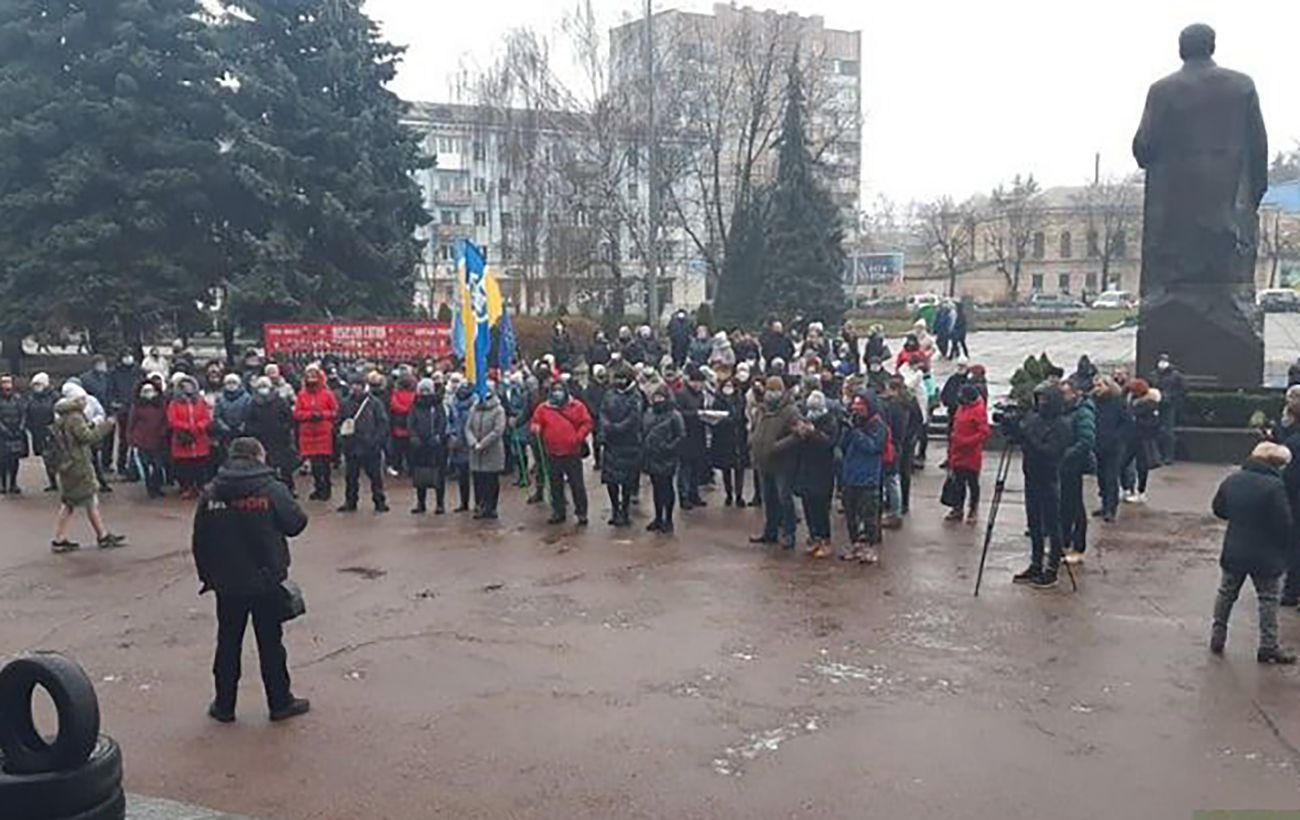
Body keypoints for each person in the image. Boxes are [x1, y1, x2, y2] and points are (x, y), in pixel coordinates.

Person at [191, 437, 312, 722]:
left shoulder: (212, 492)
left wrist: (208, 577)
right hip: (266, 580)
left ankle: (224, 705)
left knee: (227, 643)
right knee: (271, 644)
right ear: (259, 455)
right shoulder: (271, 489)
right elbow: (296, 523)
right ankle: (280, 703)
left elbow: (200, 540)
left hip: (227, 583)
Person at [1210, 442, 1296, 664]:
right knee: (1268, 599)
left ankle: (1217, 637)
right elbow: (1284, 523)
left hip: (1235, 547)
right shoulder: (1274, 486)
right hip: (1265, 553)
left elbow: (1219, 509)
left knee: (1226, 593)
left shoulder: (1233, 479)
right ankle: (1268, 646)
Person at [49, 383, 126, 552]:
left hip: (67, 464)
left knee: (73, 502)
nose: (85, 401)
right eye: (82, 399)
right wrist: (106, 425)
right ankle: (100, 536)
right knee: (85, 500)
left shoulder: (62, 416)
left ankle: (63, 538)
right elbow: (87, 437)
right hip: (78, 464)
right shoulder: (75, 417)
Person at [1012, 383, 1072, 588]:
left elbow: (1050, 452)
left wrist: (1028, 437)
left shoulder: (1062, 424)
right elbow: (1024, 440)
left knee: (1052, 525)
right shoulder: (1034, 419)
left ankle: (1052, 568)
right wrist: (1014, 430)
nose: (1041, 404)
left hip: (1049, 477)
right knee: (1034, 523)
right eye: (1039, 400)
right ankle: (1035, 563)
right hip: (1031, 475)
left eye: (1045, 400)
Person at [530, 381, 593, 525]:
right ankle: (558, 511)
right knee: (555, 484)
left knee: (577, 484)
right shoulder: (543, 408)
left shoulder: (577, 406)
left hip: (572, 452)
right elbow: (535, 421)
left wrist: (578, 437)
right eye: (555, 390)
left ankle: (581, 512)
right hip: (552, 452)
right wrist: (536, 427)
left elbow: (587, 423)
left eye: (560, 390)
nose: (557, 393)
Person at [749, 377, 801, 550]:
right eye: (769, 390)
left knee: (784, 498)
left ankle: (789, 533)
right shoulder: (761, 410)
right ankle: (770, 531)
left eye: (776, 390)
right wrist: (752, 440)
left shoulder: (791, 411)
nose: (772, 393)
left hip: (783, 463)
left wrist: (777, 446)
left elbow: (798, 434)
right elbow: (755, 428)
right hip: (764, 462)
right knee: (768, 499)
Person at [841, 392, 887, 563]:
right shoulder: (854, 425)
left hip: (868, 477)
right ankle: (855, 545)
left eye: (860, 406)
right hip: (850, 476)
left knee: (869, 516)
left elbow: (873, 447)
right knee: (850, 515)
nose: (857, 410)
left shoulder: (878, 426)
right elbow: (843, 446)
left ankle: (869, 547)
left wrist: (856, 432)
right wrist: (846, 430)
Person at [336, 375, 390, 513]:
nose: (355, 387)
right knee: (351, 477)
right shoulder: (345, 403)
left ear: (363, 386)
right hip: (351, 445)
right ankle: (350, 502)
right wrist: (342, 439)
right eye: (353, 384)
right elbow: (338, 422)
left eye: (358, 384)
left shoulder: (374, 403)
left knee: (375, 477)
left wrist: (376, 440)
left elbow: (382, 423)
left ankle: (379, 502)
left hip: (370, 446)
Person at [794, 390, 838, 557]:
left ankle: (825, 539)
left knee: (821, 507)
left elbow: (829, 443)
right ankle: (814, 536)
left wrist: (813, 433)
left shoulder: (830, 421)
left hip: (823, 470)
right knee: (808, 505)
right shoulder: (806, 419)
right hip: (806, 468)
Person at [598, 368, 641, 527]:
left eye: (622, 378)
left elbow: (634, 417)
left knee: (627, 481)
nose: (619, 381)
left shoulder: (635, 396)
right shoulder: (609, 394)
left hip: (628, 443)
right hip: (611, 443)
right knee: (611, 480)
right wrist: (606, 426)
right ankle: (615, 509)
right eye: (617, 378)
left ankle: (625, 510)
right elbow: (602, 411)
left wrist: (617, 427)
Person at [1059, 381, 1097, 564]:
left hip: (1074, 464)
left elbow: (1086, 440)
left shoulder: (1083, 412)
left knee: (1075, 505)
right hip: (1062, 465)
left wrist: (1067, 454)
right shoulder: (1064, 411)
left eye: (1065, 393)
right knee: (1063, 504)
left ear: (1075, 393)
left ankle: (1078, 546)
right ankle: (1063, 541)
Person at [945, 384, 990, 524]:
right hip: (958, 452)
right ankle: (957, 508)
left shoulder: (978, 410)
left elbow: (984, 433)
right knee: (958, 482)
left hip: (971, 453)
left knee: (972, 482)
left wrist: (966, 441)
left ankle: (973, 509)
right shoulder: (961, 408)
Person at [642, 384, 684, 534]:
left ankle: (669, 519)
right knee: (656, 488)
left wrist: (669, 447)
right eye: (655, 397)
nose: (658, 400)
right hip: (652, 456)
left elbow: (680, 436)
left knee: (667, 487)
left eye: (660, 397)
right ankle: (658, 517)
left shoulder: (674, 415)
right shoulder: (649, 413)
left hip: (667, 457)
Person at [245, 376, 297, 493]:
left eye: (265, 386)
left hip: (281, 438)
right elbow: (249, 421)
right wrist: (255, 432)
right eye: (261, 386)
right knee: (266, 465)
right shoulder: (253, 403)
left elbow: (289, 418)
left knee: (285, 466)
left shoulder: (280, 401)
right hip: (262, 439)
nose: (263, 389)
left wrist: (284, 429)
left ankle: (289, 487)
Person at [292, 365, 337, 501]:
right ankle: (318, 487)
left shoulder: (327, 394)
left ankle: (326, 488)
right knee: (314, 463)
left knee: (324, 462)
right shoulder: (302, 394)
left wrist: (322, 414)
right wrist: (310, 415)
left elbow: (334, 411)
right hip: (308, 433)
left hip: (323, 431)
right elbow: (297, 413)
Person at [1091, 377, 1132, 523]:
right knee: (1101, 477)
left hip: (1114, 447)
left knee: (1111, 477)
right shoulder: (1094, 402)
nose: (1097, 388)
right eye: (1095, 386)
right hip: (1098, 444)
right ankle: (1104, 505)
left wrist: (1117, 437)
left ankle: (1111, 509)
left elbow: (1127, 423)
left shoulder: (1118, 402)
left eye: (1100, 385)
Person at [168, 375, 215, 500]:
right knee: (185, 466)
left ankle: (199, 486)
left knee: (199, 465)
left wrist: (199, 426)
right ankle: (186, 487)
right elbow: (172, 420)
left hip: (200, 438)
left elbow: (207, 418)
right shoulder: (174, 403)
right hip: (182, 439)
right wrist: (187, 427)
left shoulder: (201, 402)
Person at [465, 388, 507, 519]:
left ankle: (491, 507)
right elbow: (468, 427)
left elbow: (498, 430)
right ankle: (479, 505)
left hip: (492, 451)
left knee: (491, 480)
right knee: (478, 480)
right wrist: (472, 442)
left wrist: (482, 443)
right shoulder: (474, 409)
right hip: (476, 452)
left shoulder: (499, 410)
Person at [409, 379, 449, 514]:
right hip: (419, 446)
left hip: (436, 445)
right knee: (420, 475)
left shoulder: (438, 405)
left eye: (427, 390)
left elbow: (442, 421)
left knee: (439, 475)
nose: (424, 393)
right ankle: (421, 503)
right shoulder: (415, 405)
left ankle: (440, 504)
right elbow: (411, 422)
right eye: (422, 390)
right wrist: (414, 436)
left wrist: (438, 435)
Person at [127, 381, 170, 498]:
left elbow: (166, 420)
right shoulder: (137, 406)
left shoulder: (161, 404)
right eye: (145, 391)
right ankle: (150, 489)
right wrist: (131, 438)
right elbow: (132, 422)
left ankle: (157, 487)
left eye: (150, 390)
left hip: (158, 440)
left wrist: (163, 432)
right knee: (146, 466)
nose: (148, 393)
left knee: (158, 466)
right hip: (142, 440)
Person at [674, 366, 708, 510]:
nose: (700, 386)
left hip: (698, 434)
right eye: (698, 382)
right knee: (685, 468)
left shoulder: (700, 395)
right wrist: (696, 414)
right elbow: (679, 414)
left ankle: (694, 494)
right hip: (686, 435)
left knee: (696, 467)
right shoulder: (681, 394)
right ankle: (684, 496)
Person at [710, 377, 747, 507]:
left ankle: (739, 495)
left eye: (731, 385)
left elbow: (744, 415)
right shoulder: (718, 400)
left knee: (739, 468)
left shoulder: (741, 399)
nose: (729, 388)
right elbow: (714, 418)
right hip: (724, 438)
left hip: (739, 437)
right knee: (726, 468)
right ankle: (729, 494)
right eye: (726, 385)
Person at [1127, 379, 1162, 503]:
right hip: (1133, 437)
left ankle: (1141, 492)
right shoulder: (1132, 402)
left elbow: (1154, 423)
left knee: (1142, 466)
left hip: (1143, 438)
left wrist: (1137, 421)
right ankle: (1128, 488)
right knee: (1124, 462)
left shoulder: (1150, 404)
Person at [25, 373, 60, 492]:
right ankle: (52, 482)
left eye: (38, 384)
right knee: (46, 458)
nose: (36, 387)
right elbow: (28, 413)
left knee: (56, 457)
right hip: (38, 432)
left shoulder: (54, 397)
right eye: (34, 385)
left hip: (53, 432)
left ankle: (62, 480)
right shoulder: (31, 398)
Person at [108, 352, 142, 475]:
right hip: (123, 408)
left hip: (136, 406)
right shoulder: (115, 372)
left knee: (136, 438)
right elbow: (111, 389)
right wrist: (115, 403)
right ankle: (121, 465)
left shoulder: (138, 371)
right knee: (124, 439)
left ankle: (134, 466)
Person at [446, 381, 476, 512]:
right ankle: (464, 503)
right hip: (458, 443)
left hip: (473, 443)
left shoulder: (475, 404)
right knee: (462, 475)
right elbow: (449, 421)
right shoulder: (453, 404)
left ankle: (479, 502)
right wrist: (451, 435)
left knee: (476, 475)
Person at [1152, 354, 1185, 465]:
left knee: (1168, 431)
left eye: (1164, 361)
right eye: (1161, 360)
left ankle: (1168, 456)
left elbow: (1183, 389)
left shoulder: (1176, 375)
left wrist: (1170, 397)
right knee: (1156, 430)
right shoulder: (1154, 374)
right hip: (1156, 405)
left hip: (1169, 406)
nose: (1162, 363)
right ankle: (1157, 456)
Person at [213, 374, 253, 465]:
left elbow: (249, 415)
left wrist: (242, 427)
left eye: (234, 382)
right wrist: (224, 427)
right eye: (228, 382)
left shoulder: (247, 397)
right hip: (225, 434)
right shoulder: (220, 398)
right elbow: (217, 415)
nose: (231, 385)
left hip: (242, 433)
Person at [0, 375, 27, 494]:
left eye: (8, 382)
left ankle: (13, 483)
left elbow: (24, 414)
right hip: (2, 434)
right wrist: (3, 429)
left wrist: (20, 427)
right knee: (2, 460)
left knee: (15, 460)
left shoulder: (18, 398)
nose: (6, 385)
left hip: (16, 432)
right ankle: (2, 484)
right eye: (4, 382)